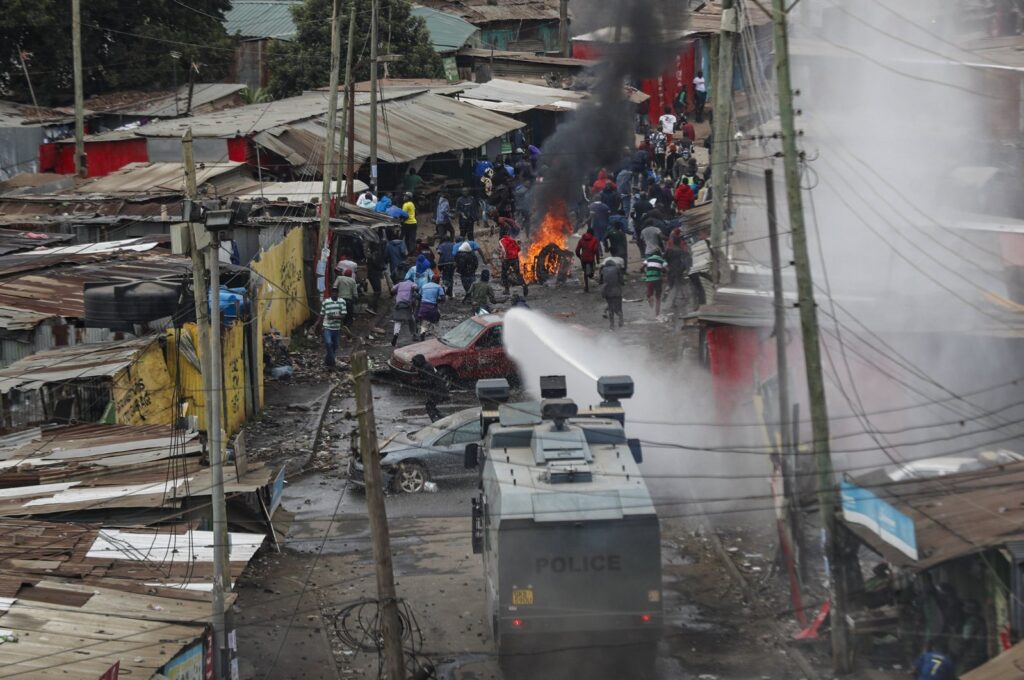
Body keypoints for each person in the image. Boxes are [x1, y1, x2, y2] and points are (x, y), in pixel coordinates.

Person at [410, 354, 449, 422]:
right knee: (431, 406)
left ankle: (435, 420)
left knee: (429, 406)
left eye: (414, 362)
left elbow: (429, 381)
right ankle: (442, 418)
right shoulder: (424, 366)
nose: (413, 364)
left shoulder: (426, 367)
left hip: (438, 389)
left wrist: (417, 382)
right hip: (437, 388)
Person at [316, 291, 346, 367]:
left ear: (338, 293)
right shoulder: (326, 302)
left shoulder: (342, 302)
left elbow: (343, 315)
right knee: (328, 343)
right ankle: (333, 362)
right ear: (331, 293)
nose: (334, 294)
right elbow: (321, 314)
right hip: (327, 327)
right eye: (333, 292)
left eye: (336, 292)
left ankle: (327, 361)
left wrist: (333, 317)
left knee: (335, 345)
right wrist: (315, 324)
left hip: (336, 328)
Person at [391, 276, 418, 346]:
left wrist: (398, 292)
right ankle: (414, 334)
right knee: (411, 319)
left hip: (398, 304)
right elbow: (416, 287)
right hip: (406, 305)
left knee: (397, 321)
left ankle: (395, 334)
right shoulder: (412, 283)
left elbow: (392, 289)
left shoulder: (400, 284)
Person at [498, 231, 527, 297]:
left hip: (507, 259)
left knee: (504, 274)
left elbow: (503, 250)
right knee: (518, 273)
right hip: (515, 259)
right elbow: (518, 249)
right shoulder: (512, 240)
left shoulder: (501, 241)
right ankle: (524, 285)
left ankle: (507, 290)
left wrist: (502, 257)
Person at [417, 273, 446, 340]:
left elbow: (419, 296)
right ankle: (437, 337)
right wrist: (437, 300)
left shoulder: (424, 286)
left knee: (424, 321)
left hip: (423, 306)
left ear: (431, 279)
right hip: (432, 307)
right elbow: (443, 299)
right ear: (438, 280)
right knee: (435, 321)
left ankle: (422, 333)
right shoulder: (438, 287)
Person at [599, 256, 625, 329]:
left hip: (607, 291)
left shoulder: (603, 270)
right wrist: (622, 283)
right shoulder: (617, 268)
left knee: (610, 308)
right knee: (618, 307)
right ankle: (620, 318)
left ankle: (612, 325)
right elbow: (621, 280)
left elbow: (600, 281)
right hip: (617, 291)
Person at [575, 228, 602, 293]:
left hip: (583, 259)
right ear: (592, 233)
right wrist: (597, 259)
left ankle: (586, 287)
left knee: (585, 273)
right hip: (591, 259)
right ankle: (590, 275)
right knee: (591, 273)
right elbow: (596, 250)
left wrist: (580, 256)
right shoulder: (594, 240)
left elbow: (577, 250)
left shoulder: (581, 240)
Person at [643, 249, 668, 317]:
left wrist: (645, 272)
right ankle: (657, 313)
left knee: (649, 293)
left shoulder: (648, 259)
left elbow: (643, 267)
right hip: (657, 280)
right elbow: (666, 268)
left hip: (649, 279)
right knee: (658, 297)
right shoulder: (661, 259)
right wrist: (664, 272)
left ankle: (650, 300)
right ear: (659, 254)